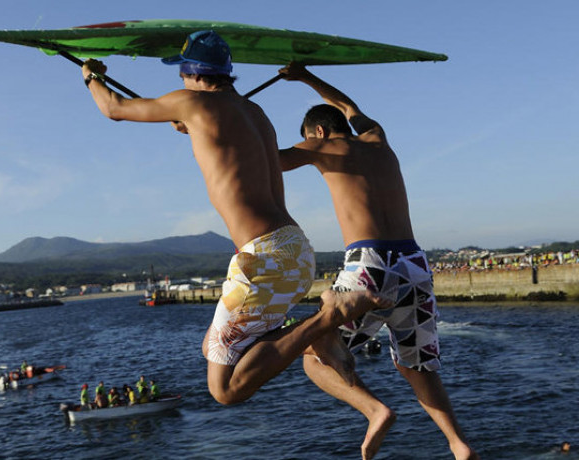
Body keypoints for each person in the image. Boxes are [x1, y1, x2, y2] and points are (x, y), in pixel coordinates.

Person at [81, 30, 386, 406]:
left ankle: (326, 321)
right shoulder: (256, 114)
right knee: (215, 345)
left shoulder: (190, 102)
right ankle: (317, 331)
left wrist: (91, 76)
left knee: (223, 389)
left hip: (265, 257)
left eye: (181, 73)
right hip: (294, 251)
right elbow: (238, 155)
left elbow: (113, 108)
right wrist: (192, 128)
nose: (179, 81)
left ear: (193, 73)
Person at [278, 63, 478, 460]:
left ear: (317, 132)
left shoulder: (323, 147)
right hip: (414, 263)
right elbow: (346, 104)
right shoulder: (376, 138)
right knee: (417, 366)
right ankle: (459, 445)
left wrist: (201, 124)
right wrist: (305, 76)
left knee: (314, 355)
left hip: (370, 264)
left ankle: (375, 411)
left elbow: (265, 160)